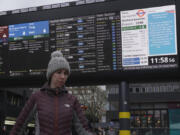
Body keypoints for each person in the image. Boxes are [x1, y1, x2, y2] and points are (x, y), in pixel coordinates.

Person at [10, 50, 96, 135]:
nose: (63, 76)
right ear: (51, 74)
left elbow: (84, 129)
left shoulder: (72, 100)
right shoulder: (36, 97)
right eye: (59, 72)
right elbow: (19, 126)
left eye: (65, 73)